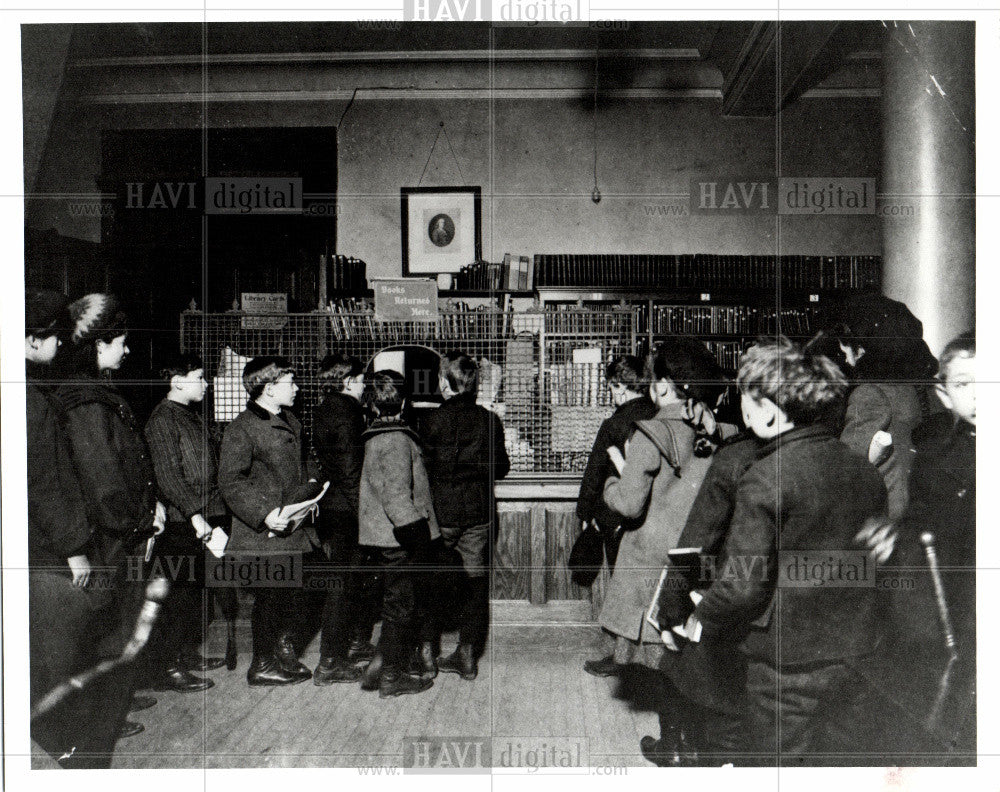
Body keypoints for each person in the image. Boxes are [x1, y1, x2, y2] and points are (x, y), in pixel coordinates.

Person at [687, 337, 887, 764]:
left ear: (767, 407)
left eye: (746, 395)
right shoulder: (861, 469)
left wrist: (701, 616)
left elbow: (743, 585)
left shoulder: (765, 477)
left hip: (786, 663)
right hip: (857, 651)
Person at [56, 293, 164, 749]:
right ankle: (94, 715)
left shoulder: (98, 395)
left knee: (116, 620)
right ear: (99, 346)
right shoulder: (86, 403)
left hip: (120, 532)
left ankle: (110, 698)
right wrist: (141, 523)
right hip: (109, 538)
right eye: (120, 342)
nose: (126, 350)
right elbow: (103, 482)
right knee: (100, 624)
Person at [597, 338, 728, 674]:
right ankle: (681, 727)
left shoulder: (651, 433)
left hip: (652, 562)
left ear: (665, 386)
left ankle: (668, 729)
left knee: (659, 653)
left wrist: (611, 483)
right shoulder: (726, 432)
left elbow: (629, 506)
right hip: (701, 557)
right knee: (690, 653)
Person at [642, 431, 760, 766]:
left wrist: (669, 614)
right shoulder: (834, 452)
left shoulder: (736, 457)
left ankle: (677, 750)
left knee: (681, 667)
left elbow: (695, 544)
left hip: (721, 591)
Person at [26, 290, 106, 766]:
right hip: (44, 550)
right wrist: (75, 547)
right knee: (57, 644)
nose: (60, 346)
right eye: (55, 337)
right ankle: (63, 743)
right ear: (35, 341)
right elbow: (47, 482)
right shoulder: (33, 402)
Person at [218, 356, 321, 687]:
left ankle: (280, 654)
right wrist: (265, 514)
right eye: (290, 382)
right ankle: (261, 664)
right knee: (270, 597)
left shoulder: (290, 419)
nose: (297, 388)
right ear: (268, 387)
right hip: (263, 533)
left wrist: (311, 497)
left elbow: (304, 467)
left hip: (292, 527)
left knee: (288, 595)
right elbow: (231, 481)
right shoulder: (243, 427)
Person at [420, 352, 510, 680]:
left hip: (440, 515)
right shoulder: (490, 420)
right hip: (477, 513)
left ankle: (428, 655)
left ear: (445, 383)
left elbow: (422, 471)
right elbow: (501, 468)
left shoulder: (430, 421)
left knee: (429, 582)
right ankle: (467, 655)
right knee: (474, 583)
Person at [143, 352, 227, 692]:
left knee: (191, 594)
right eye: (200, 377)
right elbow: (168, 477)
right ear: (178, 381)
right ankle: (170, 668)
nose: (206, 383)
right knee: (177, 597)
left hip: (197, 517)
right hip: (183, 522)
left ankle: (186, 655)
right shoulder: (163, 420)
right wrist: (194, 515)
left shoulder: (188, 415)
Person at [820, 293, 938, 524]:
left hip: (884, 524)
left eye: (846, 346)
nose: (844, 356)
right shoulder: (933, 388)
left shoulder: (871, 394)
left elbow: (846, 471)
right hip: (926, 519)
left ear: (862, 347)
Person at [892, 332, 975, 654]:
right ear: (944, 393)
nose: (979, 397)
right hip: (961, 601)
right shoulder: (934, 458)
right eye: (964, 385)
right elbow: (922, 520)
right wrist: (898, 532)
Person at [357, 370, 439, 697]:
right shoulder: (395, 439)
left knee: (395, 604)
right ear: (404, 402)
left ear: (372, 406)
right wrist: (421, 541)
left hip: (383, 537)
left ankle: (379, 663)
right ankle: (391, 678)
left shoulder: (378, 434)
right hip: (400, 538)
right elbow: (396, 497)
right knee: (401, 607)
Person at [578, 355, 658, 678]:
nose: (612, 395)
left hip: (617, 517)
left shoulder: (614, 424)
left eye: (613, 388)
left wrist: (585, 514)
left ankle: (616, 656)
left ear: (620, 388)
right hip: (654, 519)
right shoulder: (659, 418)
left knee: (619, 586)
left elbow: (595, 473)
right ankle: (648, 658)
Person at [312, 353, 368, 685]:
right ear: (347, 381)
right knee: (343, 586)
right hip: (349, 510)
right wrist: (366, 515)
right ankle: (330, 663)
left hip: (332, 508)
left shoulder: (324, 408)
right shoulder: (348, 411)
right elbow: (350, 470)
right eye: (361, 381)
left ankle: (340, 651)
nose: (364, 388)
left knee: (342, 583)